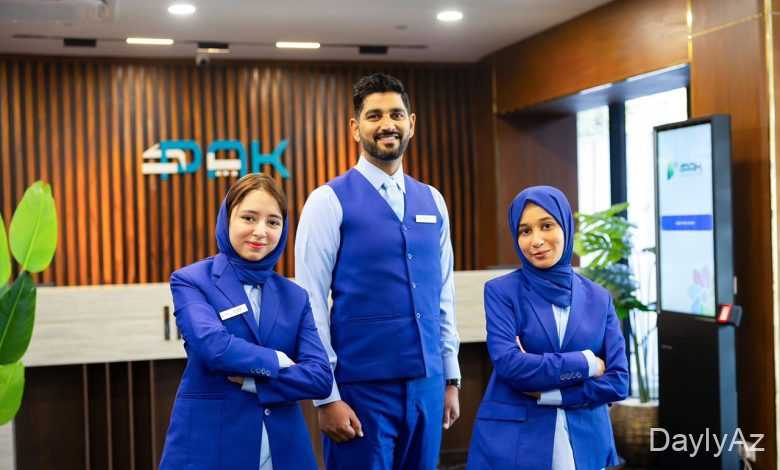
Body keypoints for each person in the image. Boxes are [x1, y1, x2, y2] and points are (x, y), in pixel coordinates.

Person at [295, 72, 461, 470]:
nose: (388, 124)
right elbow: (311, 304)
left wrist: (450, 378)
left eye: (396, 114)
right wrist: (326, 396)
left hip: (427, 385)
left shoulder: (433, 200)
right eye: (374, 116)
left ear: (411, 123)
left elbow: (443, 295)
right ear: (355, 128)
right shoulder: (327, 201)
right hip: (360, 391)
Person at [159, 174, 332, 470]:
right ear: (227, 219)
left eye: (273, 222)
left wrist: (254, 381)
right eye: (249, 218)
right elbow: (213, 347)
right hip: (211, 448)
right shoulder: (192, 281)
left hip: (283, 451)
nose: (260, 231)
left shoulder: (294, 296)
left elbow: (320, 378)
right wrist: (277, 360)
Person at [467, 186, 629, 470]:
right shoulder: (502, 292)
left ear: (565, 226)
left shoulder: (598, 298)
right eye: (525, 231)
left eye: (546, 226)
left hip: (586, 440)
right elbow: (510, 365)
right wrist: (588, 363)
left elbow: (619, 381)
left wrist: (552, 394)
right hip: (517, 441)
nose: (536, 240)